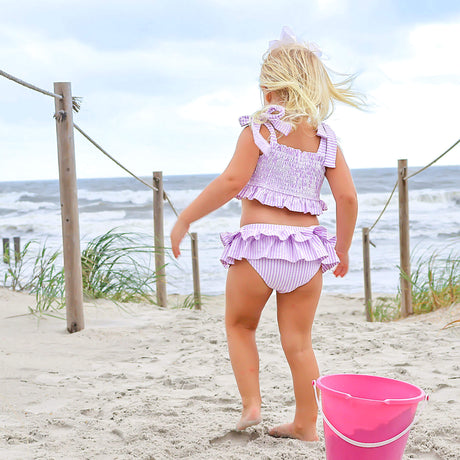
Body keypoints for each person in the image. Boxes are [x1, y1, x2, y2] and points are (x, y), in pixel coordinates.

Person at [170, 27, 362, 441]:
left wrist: (186, 218)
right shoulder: (326, 141)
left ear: (269, 89)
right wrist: (341, 249)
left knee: (241, 327)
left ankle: (252, 404)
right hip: (307, 254)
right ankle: (306, 425)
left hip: (258, 247)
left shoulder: (259, 130)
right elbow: (347, 199)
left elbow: (231, 181)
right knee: (299, 343)